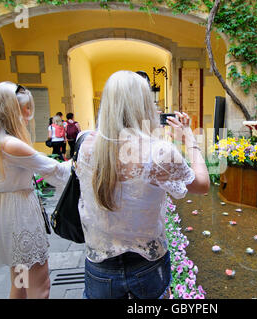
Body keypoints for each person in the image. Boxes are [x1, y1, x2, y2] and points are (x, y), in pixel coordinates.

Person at [75, 70, 210, 299]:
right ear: (144, 104)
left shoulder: (85, 143)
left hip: (100, 263)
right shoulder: (158, 151)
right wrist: (189, 137)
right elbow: (203, 184)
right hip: (147, 263)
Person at [0, 82, 71, 299]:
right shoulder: (10, 144)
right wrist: (87, 158)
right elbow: (57, 171)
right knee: (40, 285)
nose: (28, 113)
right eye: (24, 108)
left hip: (4, 214)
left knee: (20, 282)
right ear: (11, 111)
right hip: (21, 217)